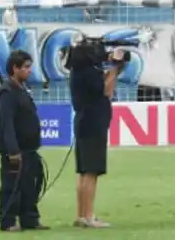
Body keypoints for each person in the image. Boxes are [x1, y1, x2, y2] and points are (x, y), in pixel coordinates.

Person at [69, 38, 125, 229]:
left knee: (84, 171)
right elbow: (106, 91)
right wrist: (116, 67)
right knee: (91, 171)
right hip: (94, 122)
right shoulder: (89, 72)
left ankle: (81, 214)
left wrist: (113, 67)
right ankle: (89, 216)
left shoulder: (78, 71)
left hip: (83, 121)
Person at [0, 49, 44, 232]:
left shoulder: (22, 89)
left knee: (29, 186)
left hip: (29, 149)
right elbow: (7, 124)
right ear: (15, 68)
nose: (29, 70)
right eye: (26, 67)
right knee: (11, 186)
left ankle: (30, 218)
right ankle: (7, 221)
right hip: (16, 150)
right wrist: (13, 150)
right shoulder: (7, 93)